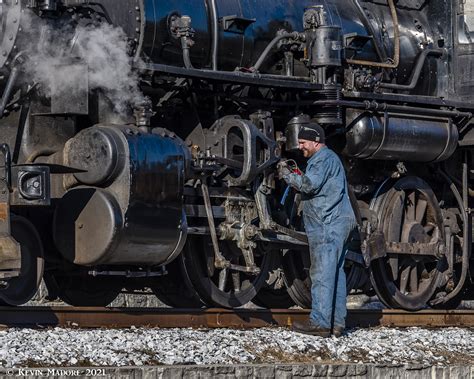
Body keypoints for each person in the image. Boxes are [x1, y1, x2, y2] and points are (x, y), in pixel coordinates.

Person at [278, 122, 356, 337]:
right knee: (336, 274)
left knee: (321, 272)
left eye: (303, 142)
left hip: (327, 223)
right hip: (339, 221)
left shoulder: (321, 159)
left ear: (316, 141)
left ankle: (320, 322)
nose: (301, 147)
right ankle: (337, 323)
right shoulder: (330, 159)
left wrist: (286, 174)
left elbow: (308, 185)